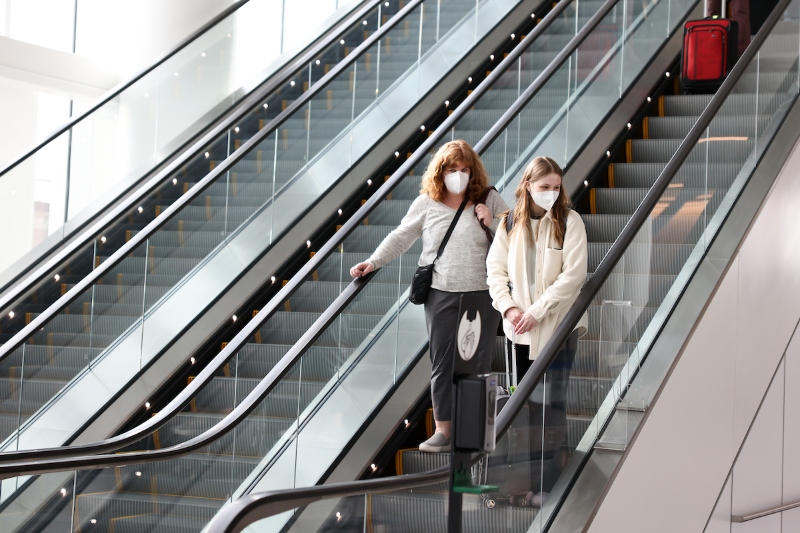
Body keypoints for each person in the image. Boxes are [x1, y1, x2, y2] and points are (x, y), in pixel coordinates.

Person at [350, 140, 508, 453]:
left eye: (465, 169)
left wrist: (493, 221)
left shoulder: (487, 197)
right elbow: (401, 237)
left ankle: (475, 431)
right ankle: (444, 430)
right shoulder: (428, 202)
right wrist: (373, 262)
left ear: (472, 171)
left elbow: (516, 232)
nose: (459, 175)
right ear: (441, 172)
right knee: (443, 362)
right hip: (442, 294)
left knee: (477, 363)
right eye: (452, 170)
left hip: (482, 292)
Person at [486, 156, 588, 496]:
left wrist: (538, 311)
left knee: (553, 406)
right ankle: (522, 484)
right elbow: (495, 273)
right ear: (528, 186)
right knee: (525, 406)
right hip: (519, 330)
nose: (551, 193)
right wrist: (509, 308)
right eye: (545, 187)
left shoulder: (569, 222)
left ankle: (549, 484)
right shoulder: (508, 224)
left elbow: (572, 277)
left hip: (559, 329)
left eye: (556, 188)